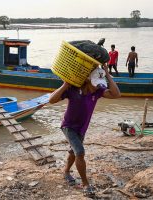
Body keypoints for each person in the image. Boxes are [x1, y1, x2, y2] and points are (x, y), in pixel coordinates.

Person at [49, 65, 120, 197]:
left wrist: (108, 76)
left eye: (100, 84)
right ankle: (86, 184)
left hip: (82, 128)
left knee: (73, 151)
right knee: (80, 152)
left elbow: (116, 94)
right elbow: (51, 100)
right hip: (68, 126)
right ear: (88, 80)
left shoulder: (98, 91)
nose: (98, 86)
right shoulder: (73, 90)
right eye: (95, 84)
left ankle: (66, 171)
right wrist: (65, 85)